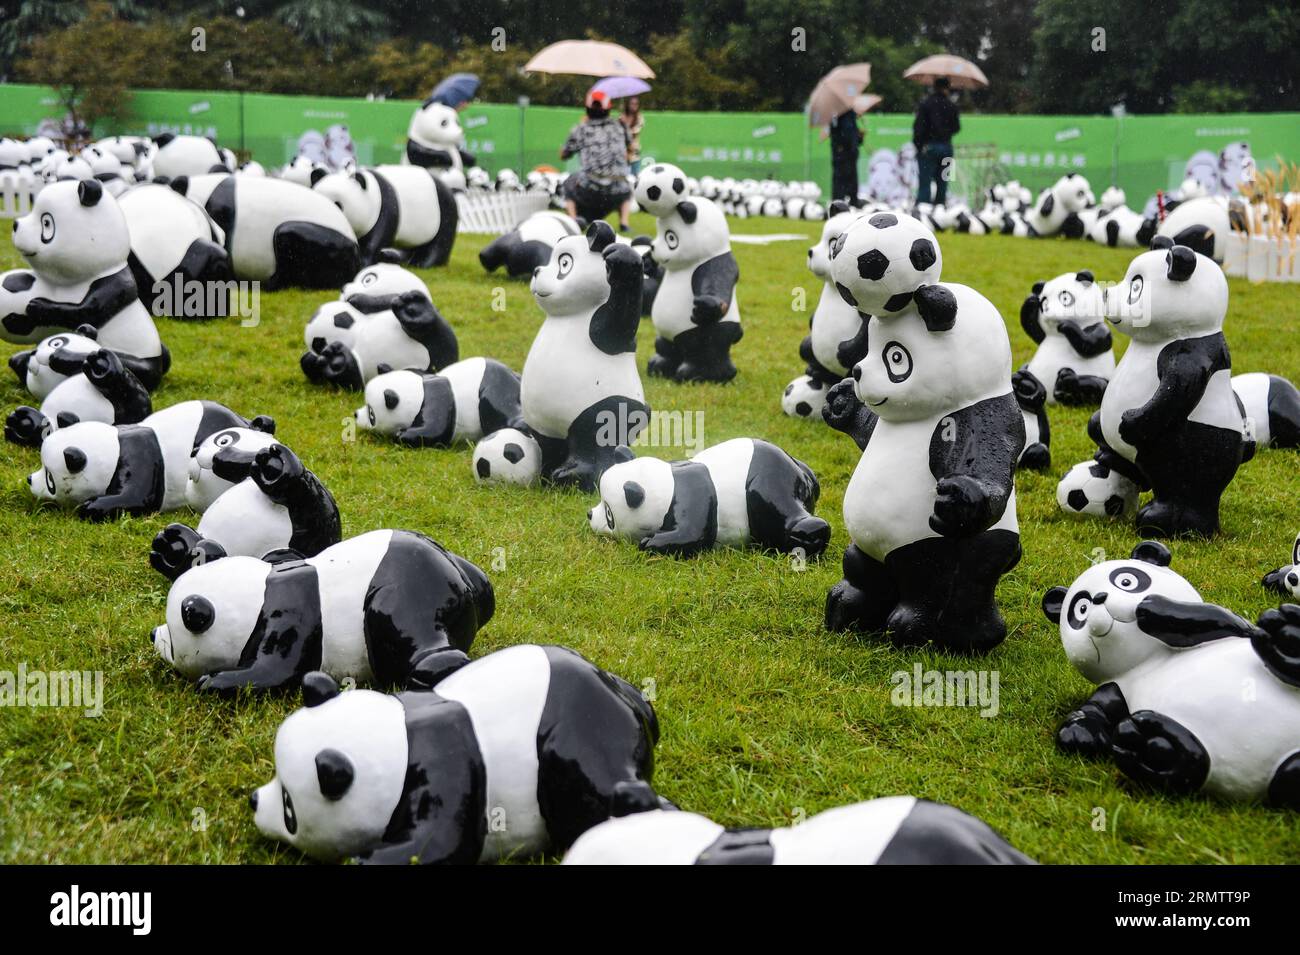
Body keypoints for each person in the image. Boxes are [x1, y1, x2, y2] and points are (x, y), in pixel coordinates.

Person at [561, 89, 633, 231]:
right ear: (609, 108)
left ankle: (573, 221)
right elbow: (630, 145)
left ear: (587, 109)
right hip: (618, 190)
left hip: (590, 188)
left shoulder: (581, 129)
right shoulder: (619, 126)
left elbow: (564, 154)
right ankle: (624, 222)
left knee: (568, 182)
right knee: (625, 182)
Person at [913, 76, 961, 206]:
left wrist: (919, 145)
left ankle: (924, 209)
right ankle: (940, 207)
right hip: (946, 148)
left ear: (934, 87)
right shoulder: (952, 105)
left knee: (925, 180)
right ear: (948, 88)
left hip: (929, 148)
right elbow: (956, 128)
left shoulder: (926, 104)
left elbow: (918, 128)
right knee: (943, 180)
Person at [829, 108, 863, 205]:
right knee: (840, 180)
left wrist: (859, 137)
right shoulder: (837, 113)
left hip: (850, 154)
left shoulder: (850, 113)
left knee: (851, 180)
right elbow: (839, 134)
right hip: (842, 154)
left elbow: (851, 134)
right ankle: (838, 205)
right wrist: (843, 145)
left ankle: (853, 202)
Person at [621, 96, 645, 175]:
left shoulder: (640, 117)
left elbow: (634, 134)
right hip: (622, 153)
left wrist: (625, 126)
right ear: (628, 104)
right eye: (632, 103)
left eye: (636, 104)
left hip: (634, 153)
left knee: (634, 178)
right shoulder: (622, 117)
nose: (634, 106)